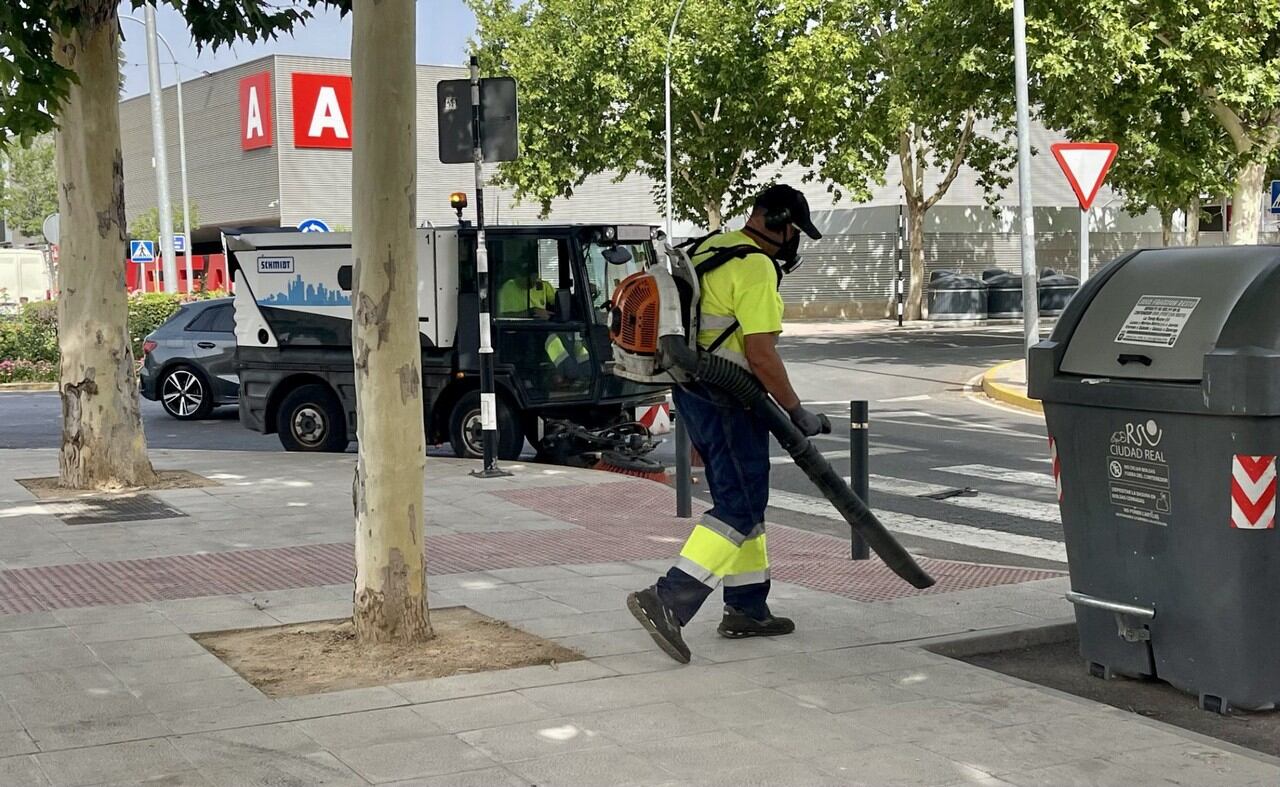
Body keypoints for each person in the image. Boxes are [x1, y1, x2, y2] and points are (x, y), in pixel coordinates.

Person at [627, 184, 826, 664]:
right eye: (795, 232)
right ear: (778, 223)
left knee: (743, 503)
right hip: (732, 400)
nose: (795, 242)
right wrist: (796, 411)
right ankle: (668, 598)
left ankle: (747, 607)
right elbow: (760, 354)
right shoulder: (756, 266)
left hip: (697, 394)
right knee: (740, 506)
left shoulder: (708, 246)